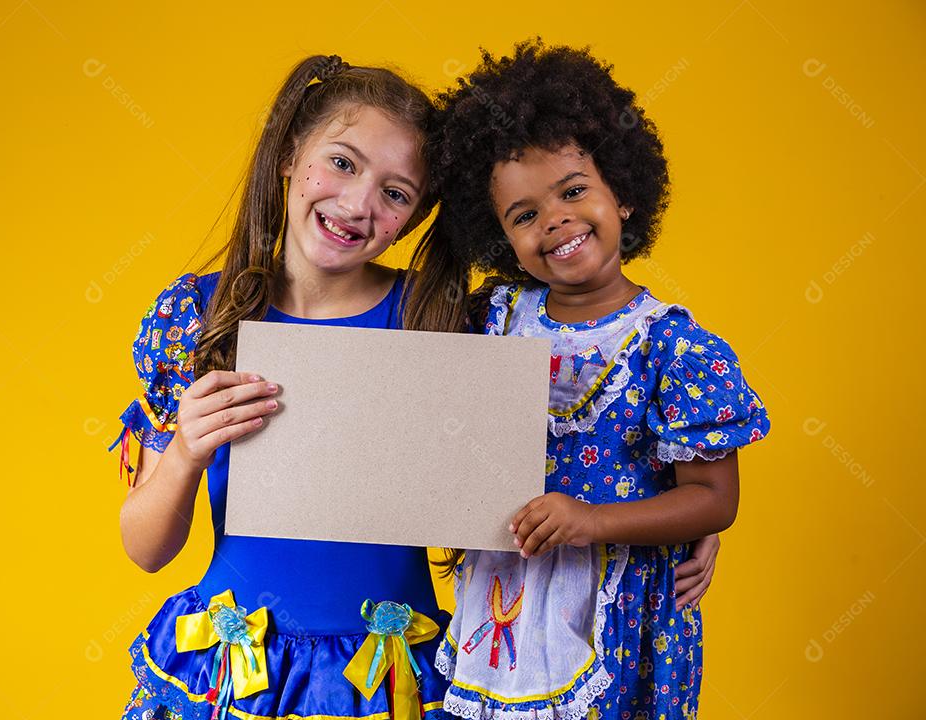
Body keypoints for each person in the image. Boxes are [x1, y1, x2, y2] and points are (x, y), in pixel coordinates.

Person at [427, 40, 770, 719]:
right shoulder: (489, 320)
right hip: (505, 598)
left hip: (618, 610)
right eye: (523, 215)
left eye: (574, 190)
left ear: (625, 195)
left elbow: (714, 499)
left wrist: (596, 520)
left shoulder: (673, 349)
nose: (554, 219)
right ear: (500, 237)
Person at [110, 54, 454, 720]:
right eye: (345, 163)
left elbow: (530, 479)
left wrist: (689, 508)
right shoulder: (197, 319)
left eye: (396, 192)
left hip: (386, 681)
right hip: (240, 670)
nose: (358, 204)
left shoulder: (434, 319)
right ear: (292, 155)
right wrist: (185, 451)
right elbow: (145, 549)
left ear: (412, 218)